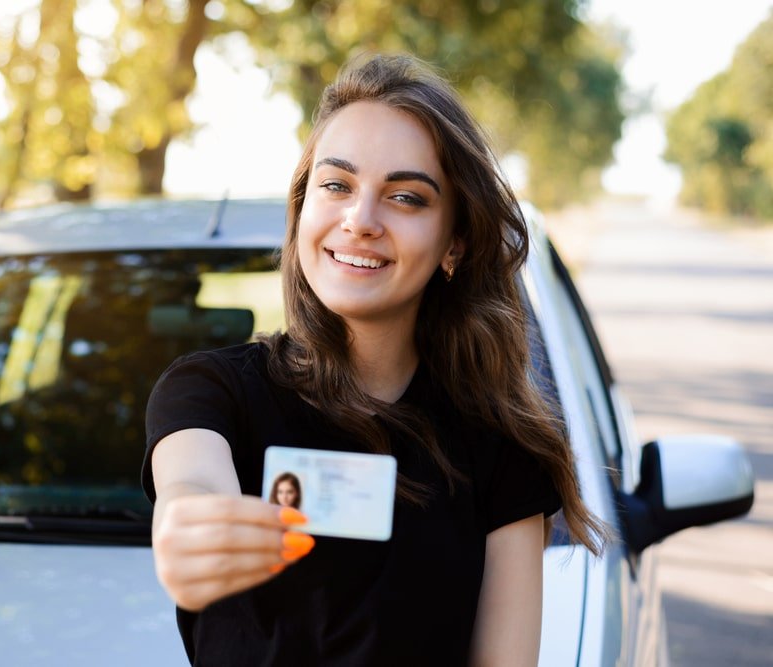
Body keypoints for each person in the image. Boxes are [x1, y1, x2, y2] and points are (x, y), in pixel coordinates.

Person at [142, 52, 608, 666]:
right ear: (303, 208)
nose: (360, 220)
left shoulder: (500, 446)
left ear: (454, 244)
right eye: (337, 185)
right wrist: (188, 532)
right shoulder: (208, 393)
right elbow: (193, 484)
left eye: (407, 198)